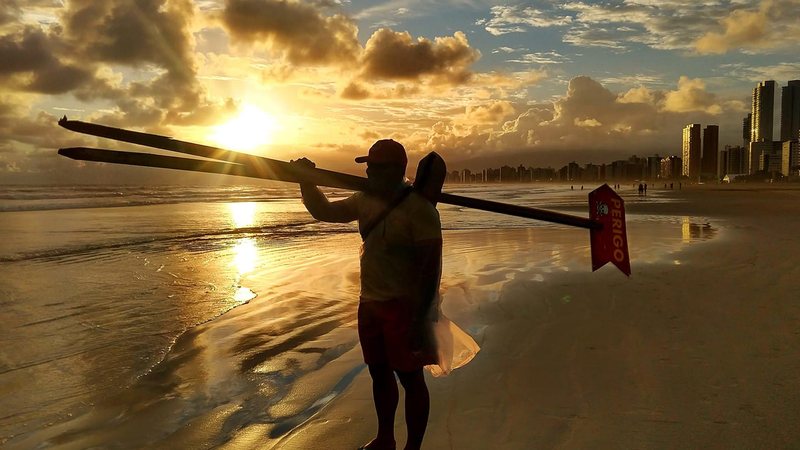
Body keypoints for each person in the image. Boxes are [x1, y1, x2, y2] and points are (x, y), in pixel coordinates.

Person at [293, 139, 441, 450]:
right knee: (378, 372)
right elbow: (325, 212)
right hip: (370, 303)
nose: (368, 171)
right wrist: (306, 182)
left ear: (395, 171)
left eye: (374, 166)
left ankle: (413, 447)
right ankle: (385, 438)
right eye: (368, 166)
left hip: (405, 307)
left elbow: (431, 270)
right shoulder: (364, 200)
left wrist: (421, 318)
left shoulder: (420, 210)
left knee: (411, 379)